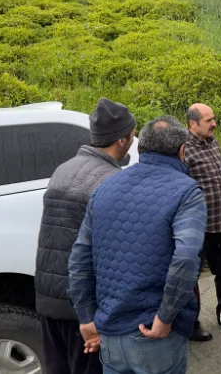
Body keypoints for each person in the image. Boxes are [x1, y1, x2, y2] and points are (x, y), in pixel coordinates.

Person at [68, 116, 207, 374]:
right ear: (182, 151)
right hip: (154, 333)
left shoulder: (104, 189)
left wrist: (86, 317)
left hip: (109, 330)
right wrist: (166, 316)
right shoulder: (187, 192)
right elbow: (187, 258)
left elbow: (79, 259)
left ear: (140, 149)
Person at [35, 98, 136, 374]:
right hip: (83, 309)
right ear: (122, 140)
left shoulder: (62, 170)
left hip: (47, 298)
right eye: (132, 134)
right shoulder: (112, 182)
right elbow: (113, 255)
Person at [184, 103, 221, 341]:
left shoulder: (213, 142)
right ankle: (190, 324)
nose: (214, 124)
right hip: (199, 227)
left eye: (214, 118)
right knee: (190, 277)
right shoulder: (184, 150)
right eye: (208, 120)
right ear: (193, 124)